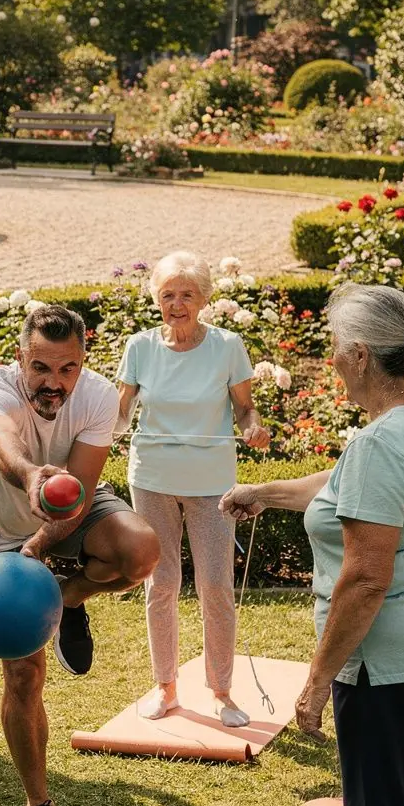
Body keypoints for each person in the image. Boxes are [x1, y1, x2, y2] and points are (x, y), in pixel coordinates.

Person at [222, 282, 404, 806]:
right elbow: (347, 493)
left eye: (335, 350)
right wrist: (267, 492)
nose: (330, 362)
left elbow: (367, 573)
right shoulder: (389, 439)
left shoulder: (379, 442)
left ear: (360, 355)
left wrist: (317, 678)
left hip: (387, 674)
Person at [0, 303, 159, 806]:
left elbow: (85, 485)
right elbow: (0, 441)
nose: (54, 382)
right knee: (24, 673)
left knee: (141, 551)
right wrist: (31, 476)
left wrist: (42, 542)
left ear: (83, 361)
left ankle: (67, 600)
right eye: (42, 368)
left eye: (67, 369)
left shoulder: (94, 397)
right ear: (21, 357)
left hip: (67, 514)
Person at [115, 251, 270, 727]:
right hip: (153, 479)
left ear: (203, 299)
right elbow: (120, 414)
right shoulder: (140, 347)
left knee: (216, 586)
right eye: (167, 295)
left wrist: (254, 427)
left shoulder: (227, 346)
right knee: (161, 584)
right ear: (156, 299)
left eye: (186, 295)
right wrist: (100, 426)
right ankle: (165, 688)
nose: (176, 304)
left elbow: (245, 410)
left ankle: (222, 692)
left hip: (211, 484)